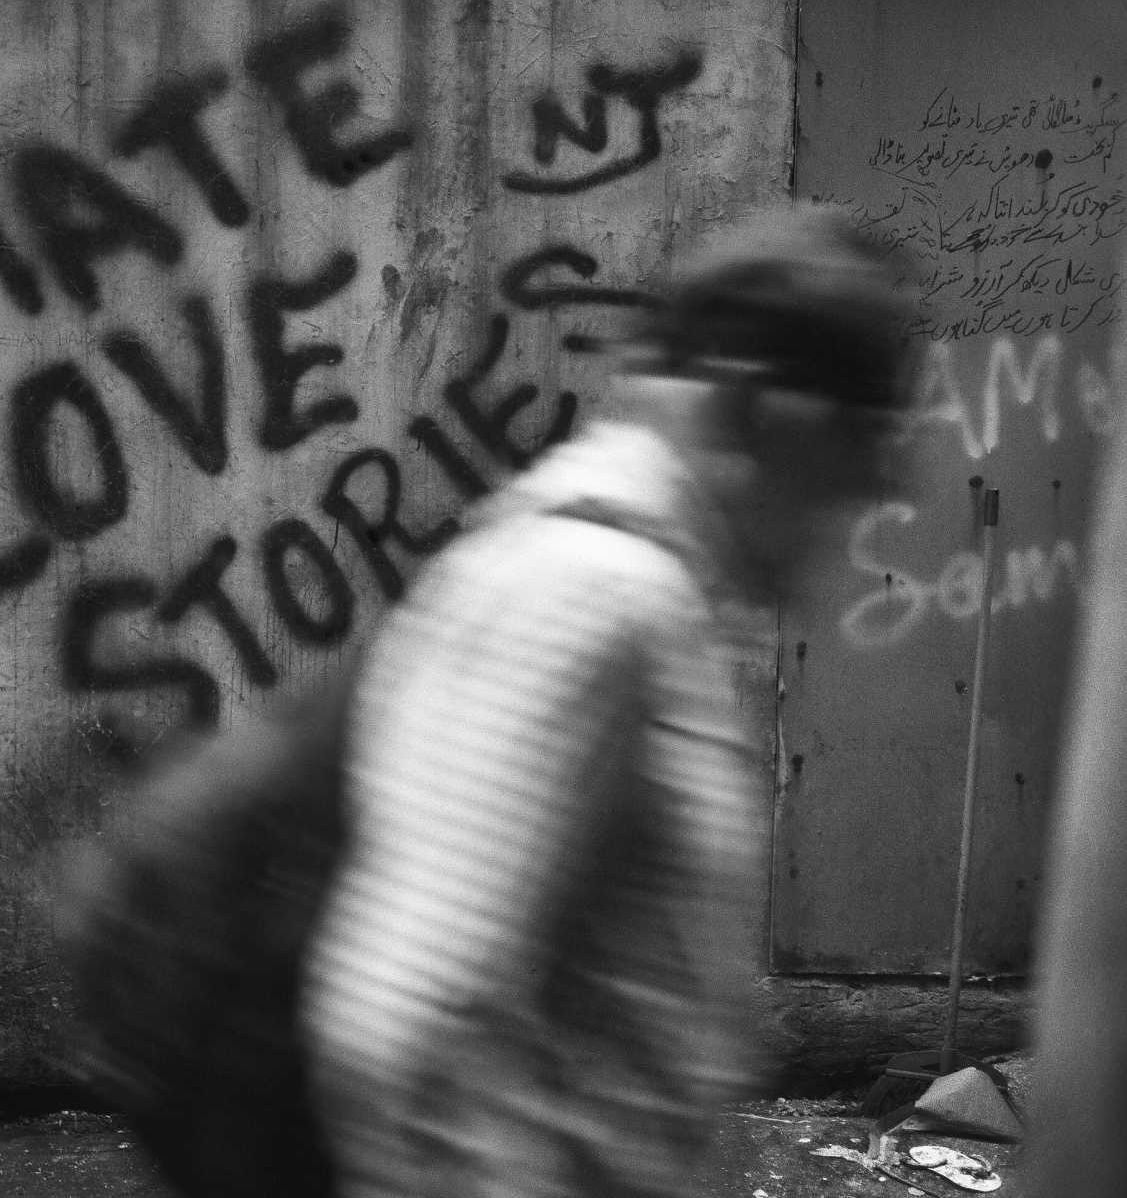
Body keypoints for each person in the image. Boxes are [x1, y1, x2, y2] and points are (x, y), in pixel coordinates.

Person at [300, 204, 920, 1198]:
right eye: (845, 481)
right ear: (759, 411)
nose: (845, 530)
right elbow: (412, 1022)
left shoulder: (650, 594)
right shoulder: (587, 593)